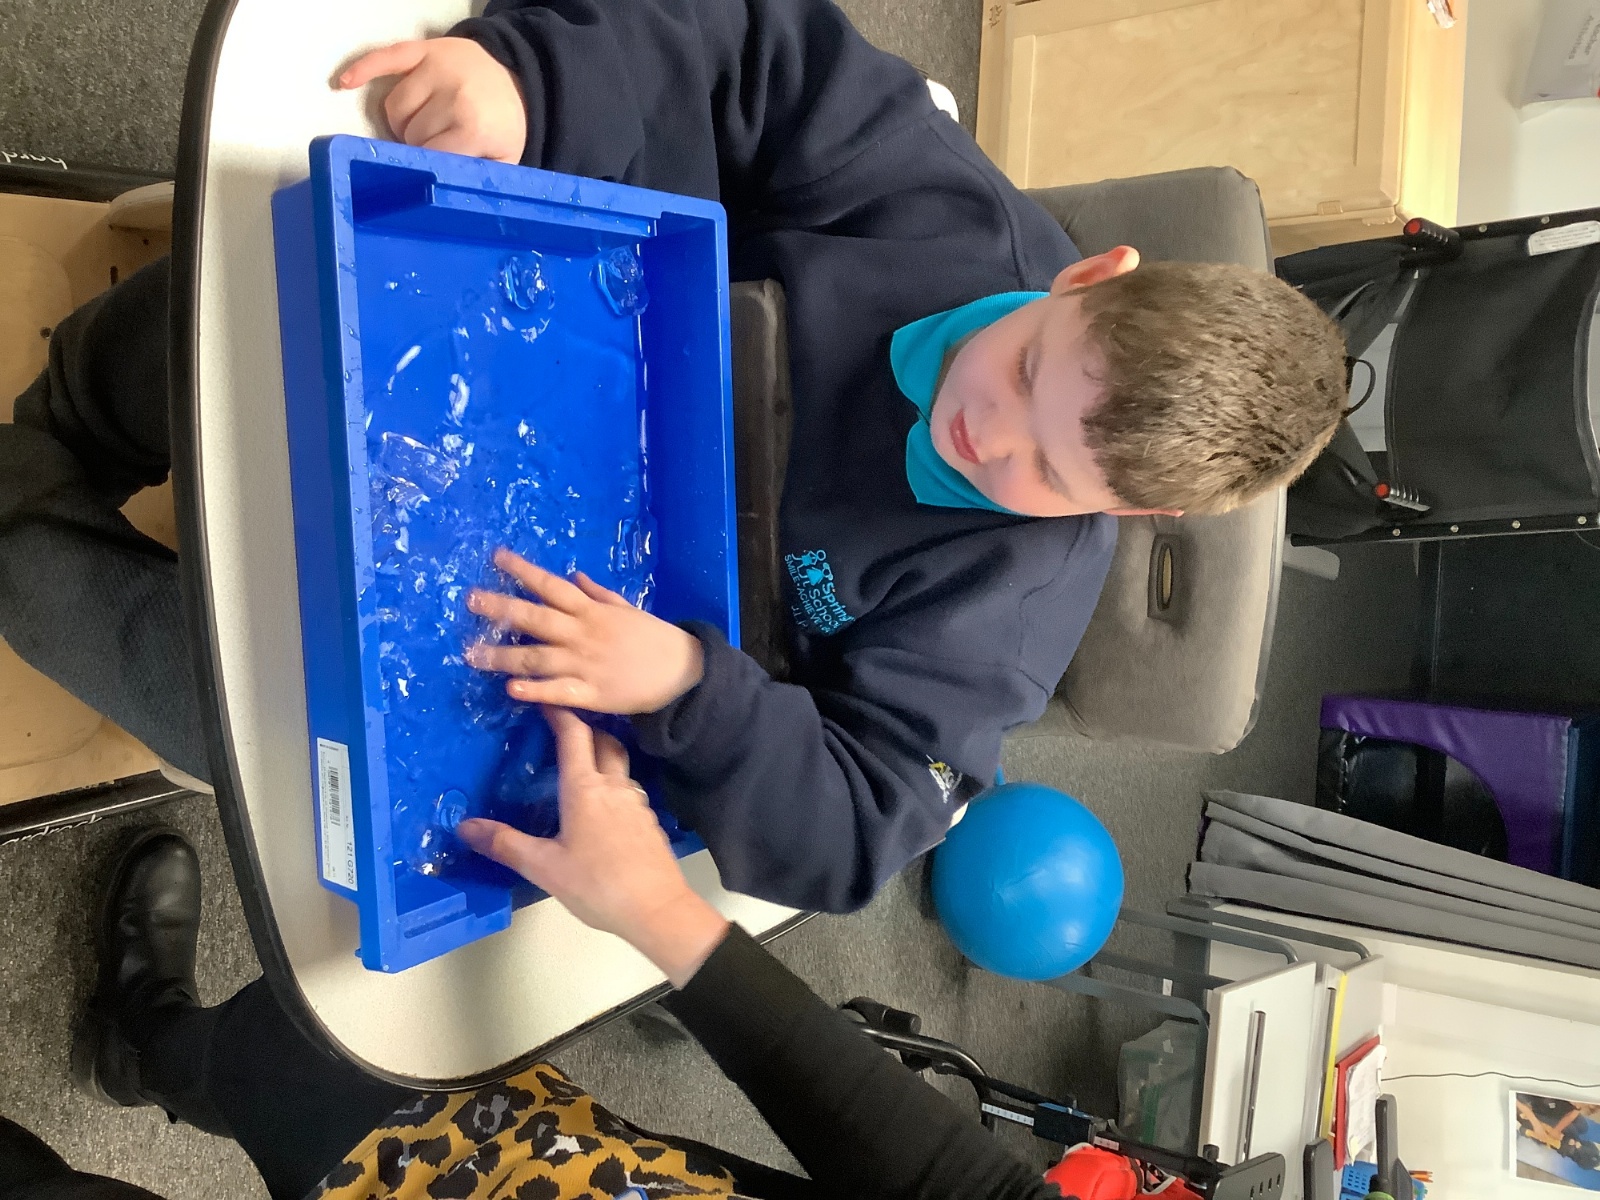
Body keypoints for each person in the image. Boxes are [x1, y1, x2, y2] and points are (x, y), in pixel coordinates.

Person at [0, 0, 1346, 917]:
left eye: (1049, 474)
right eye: (1030, 371)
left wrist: (689, 688)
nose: (988, 434)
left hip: (576, 624)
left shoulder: (1009, 609)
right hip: (516, 336)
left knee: (262, 737)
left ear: (1132, 514)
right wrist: (528, 90)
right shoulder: (940, 211)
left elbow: (860, 832)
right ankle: (66, 421)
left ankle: (19, 524)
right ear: (1088, 275)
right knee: (218, 327)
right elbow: (740, 49)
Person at [4, 707, 1069, 1200]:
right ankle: (148, 1047)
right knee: (287, 1055)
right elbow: (953, 1188)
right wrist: (658, 912)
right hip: (516, 1173)